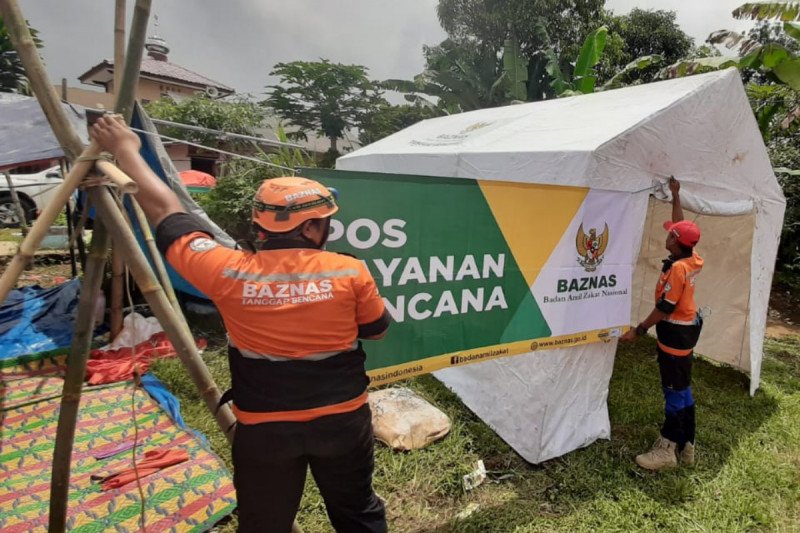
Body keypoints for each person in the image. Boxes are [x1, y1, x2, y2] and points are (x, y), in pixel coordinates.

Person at [90, 116, 391, 532]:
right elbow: (377, 329)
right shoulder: (349, 272)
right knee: (358, 513)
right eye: (325, 220)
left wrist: (124, 148)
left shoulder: (224, 270)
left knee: (264, 523)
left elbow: (165, 208)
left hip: (264, 430)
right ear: (310, 226)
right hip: (342, 422)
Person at [620, 177, 703, 471]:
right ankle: (687, 444)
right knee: (683, 387)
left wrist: (639, 330)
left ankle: (667, 448)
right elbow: (681, 227)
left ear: (675, 243)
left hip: (675, 333)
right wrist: (676, 196)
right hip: (687, 330)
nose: (666, 236)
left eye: (670, 236)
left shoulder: (678, 270)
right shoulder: (691, 258)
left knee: (673, 389)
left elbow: (664, 307)